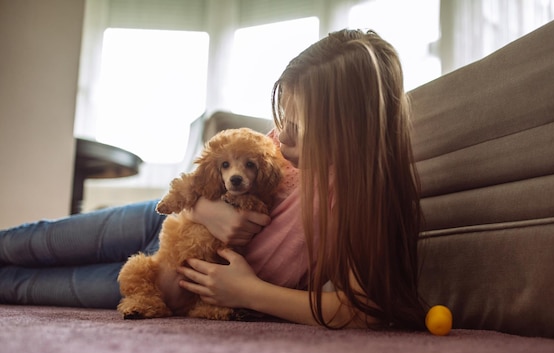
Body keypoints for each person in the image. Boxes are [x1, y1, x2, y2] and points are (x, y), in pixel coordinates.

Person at [0, 29, 425, 330]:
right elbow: (212, 177)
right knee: (32, 240)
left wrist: (248, 292)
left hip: (177, 282)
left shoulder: (359, 198)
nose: (282, 135)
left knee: (21, 286)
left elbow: (358, 310)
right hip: (165, 222)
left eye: (299, 125)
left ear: (349, 128)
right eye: (283, 120)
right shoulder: (283, 144)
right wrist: (204, 208)